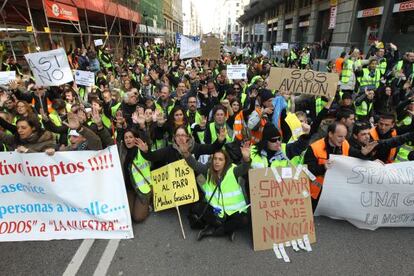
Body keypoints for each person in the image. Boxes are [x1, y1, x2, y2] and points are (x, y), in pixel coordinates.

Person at [182, 143, 252, 241]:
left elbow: (244, 168)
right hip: (216, 211)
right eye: (215, 159)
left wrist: (246, 158)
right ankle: (227, 229)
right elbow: (195, 165)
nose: (217, 162)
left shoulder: (233, 171)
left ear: (225, 161)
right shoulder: (208, 171)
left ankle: (216, 231)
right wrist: (186, 153)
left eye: (220, 159)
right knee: (197, 208)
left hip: (233, 212)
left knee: (245, 220)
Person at [304, 122, 350, 211]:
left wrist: (366, 156)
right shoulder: (314, 148)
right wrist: (323, 167)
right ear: (330, 134)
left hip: (335, 191)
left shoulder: (345, 144)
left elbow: (356, 157)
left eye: (345, 136)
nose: (343, 140)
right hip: (316, 193)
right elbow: (308, 171)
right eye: (340, 136)